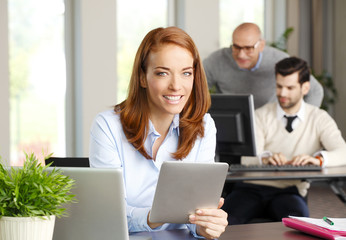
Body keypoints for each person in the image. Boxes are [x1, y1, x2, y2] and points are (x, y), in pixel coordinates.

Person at [89, 26, 228, 239]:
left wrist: (205, 225)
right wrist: (153, 216)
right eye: (162, 73)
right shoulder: (108, 126)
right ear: (143, 78)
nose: (176, 86)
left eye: (186, 73)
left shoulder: (204, 127)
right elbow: (107, 215)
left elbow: (196, 215)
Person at [222, 56, 346, 225]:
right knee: (224, 224)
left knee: (300, 225)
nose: (282, 93)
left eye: (289, 87)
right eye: (279, 86)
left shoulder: (319, 118)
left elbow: (343, 152)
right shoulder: (260, 115)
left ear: (305, 88)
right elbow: (247, 158)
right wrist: (265, 158)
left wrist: (318, 159)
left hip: (289, 190)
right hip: (250, 188)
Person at [203, 22, 324, 109]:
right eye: (236, 47)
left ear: (261, 45)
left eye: (248, 48)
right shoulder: (216, 60)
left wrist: (304, 122)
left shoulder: (279, 60)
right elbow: (195, 89)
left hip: (270, 127)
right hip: (231, 123)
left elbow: (315, 91)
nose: (241, 55)